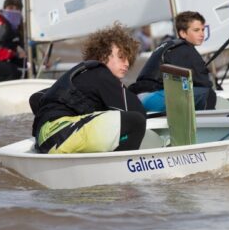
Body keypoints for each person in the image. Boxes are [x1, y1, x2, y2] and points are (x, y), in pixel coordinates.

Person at [29, 23, 146, 154]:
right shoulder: (102, 73)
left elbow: (35, 98)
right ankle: (121, 171)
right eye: (121, 57)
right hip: (60, 136)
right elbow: (139, 111)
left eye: (128, 59)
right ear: (102, 55)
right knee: (136, 121)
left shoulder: (80, 74)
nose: (127, 63)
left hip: (43, 139)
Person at [129, 11, 216, 112]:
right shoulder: (186, 49)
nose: (202, 34)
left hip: (137, 98)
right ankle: (205, 125)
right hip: (154, 98)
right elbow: (205, 83)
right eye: (196, 30)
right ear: (183, 33)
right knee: (208, 93)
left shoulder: (167, 45)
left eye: (202, 30)